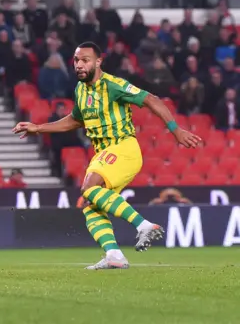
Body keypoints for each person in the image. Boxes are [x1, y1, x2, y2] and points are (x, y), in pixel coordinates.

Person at [12, 41, 202, 270]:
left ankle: (143, 225)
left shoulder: (113, 85)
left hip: (123, 148)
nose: (79, 65)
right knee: (91, 205)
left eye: (85, 60)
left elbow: (151, 99)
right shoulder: (81, 90)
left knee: (88, 187)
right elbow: (75, 120)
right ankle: (114, 255)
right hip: (104, 153)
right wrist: (38, 128)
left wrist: (176, 130)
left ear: (98, 62)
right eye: (76, 60)